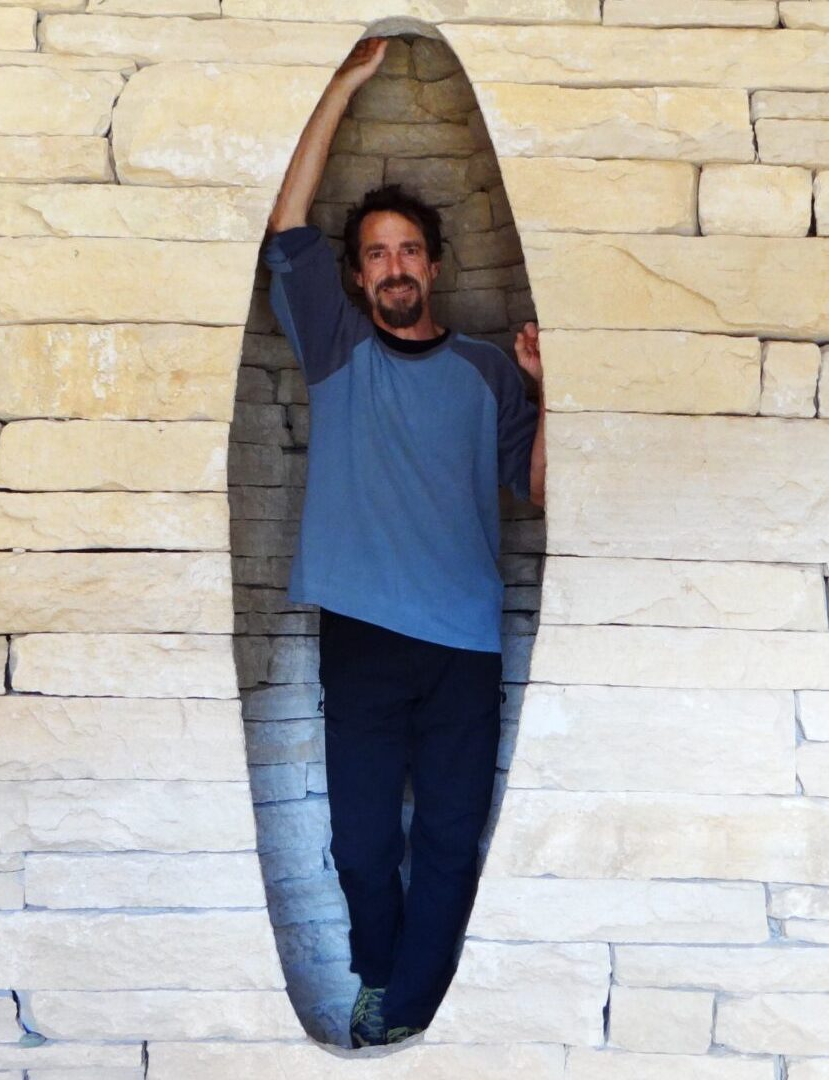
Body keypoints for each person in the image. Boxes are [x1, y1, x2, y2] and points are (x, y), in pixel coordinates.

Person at [258, 35, 548, 1049]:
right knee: (362, 846)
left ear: (433, 263)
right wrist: (337, 86)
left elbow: (540, 487)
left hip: (467, 643)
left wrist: (550, 392)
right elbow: (284, 227)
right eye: (374, 252)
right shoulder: (334, 352)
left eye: (408, 250)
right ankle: (381, 978)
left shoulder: (487, 369)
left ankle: (410, 1016)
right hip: (367, 639)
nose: (393, 266)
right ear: (358, 274)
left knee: (455, 843)